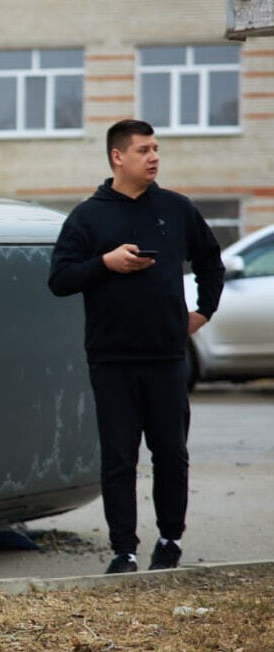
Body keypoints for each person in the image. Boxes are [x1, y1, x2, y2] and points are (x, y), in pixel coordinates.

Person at [48, 119, 224, 574]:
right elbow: (60, 279)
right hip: (111, 359)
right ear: (117, 157)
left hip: (167, 356)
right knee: (119, 458)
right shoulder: (88, 216)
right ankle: (123, 550)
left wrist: (204, 310)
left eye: (156, 148)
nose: (154, 157)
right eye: (144, 149)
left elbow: (211, 261)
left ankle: (169, 540)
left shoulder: (176, 209)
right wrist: (105, 263)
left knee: (171, 453)